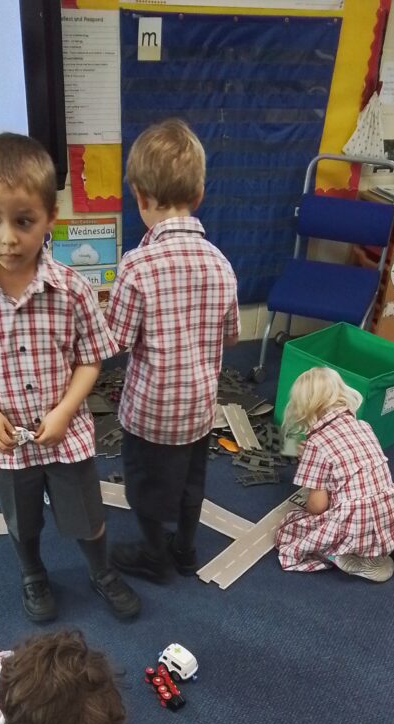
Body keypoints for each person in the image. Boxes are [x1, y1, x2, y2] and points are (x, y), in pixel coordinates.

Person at [0, 132, 139, 622]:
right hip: (3, 438)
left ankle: (101, 572)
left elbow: (91, 360)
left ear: (50, 218)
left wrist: (63, 412)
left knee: (85, 516)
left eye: (24, 221)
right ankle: (32, 573)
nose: (7, 238)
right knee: (22, 520)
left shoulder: (72, 289)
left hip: (65, 434)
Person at [105, 118, 240, 582]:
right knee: (190, 484)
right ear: (199, 196)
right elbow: (231, 337)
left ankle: (153, 556)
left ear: (140, 198)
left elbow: (116, 339)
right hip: (199, 410)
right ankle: (185, 549)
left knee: (144, 487)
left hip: (149, 413)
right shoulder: (222, 264)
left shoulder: (136, 267)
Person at [275, 366, 394, 582]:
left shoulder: (316, 444)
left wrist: (309, 466)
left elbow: (317, 507)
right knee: (373, 508)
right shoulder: (363, 426)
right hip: (392, 508)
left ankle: (351, 555)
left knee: (290, 531)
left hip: (357, 521)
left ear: (303, 408)